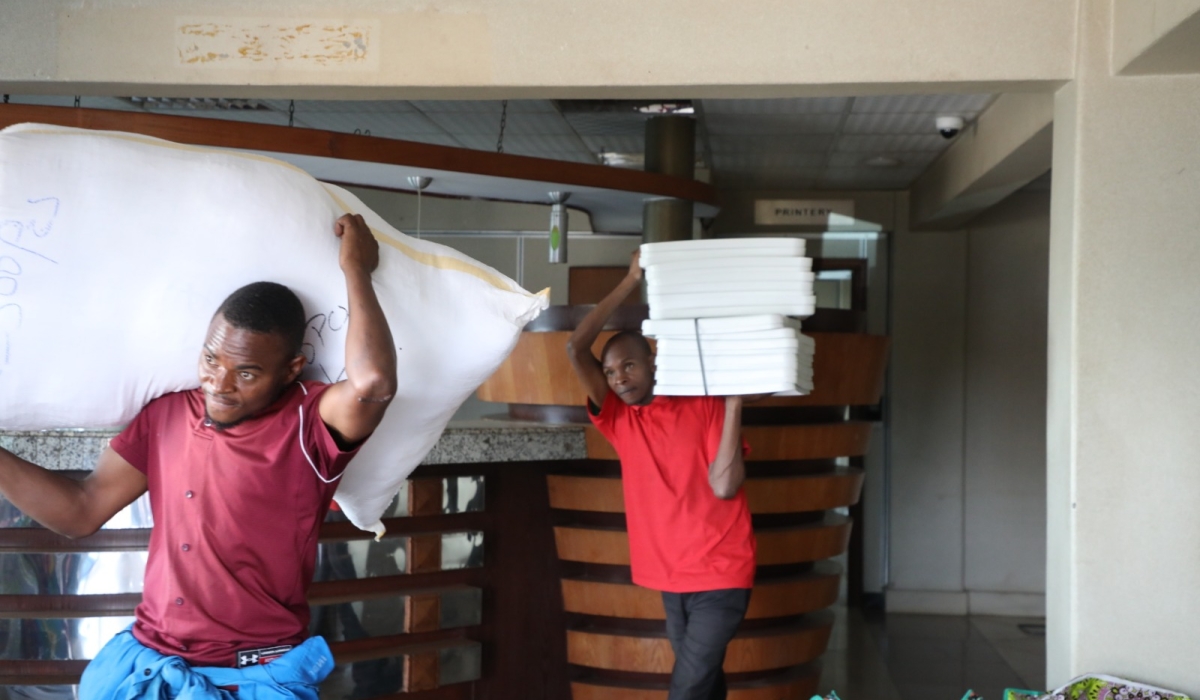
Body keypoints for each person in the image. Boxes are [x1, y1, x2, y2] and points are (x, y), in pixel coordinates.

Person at [0, 213, 397, 700]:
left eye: (246, 373)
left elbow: (373, 383)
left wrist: (355, 268)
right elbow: (80, 512)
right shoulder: (166, 414)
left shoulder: (309, 420)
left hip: (253, 676)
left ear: (291, 369)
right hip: (147, 666)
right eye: (211, 360)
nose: (219, 384)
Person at [566, 250, 757, 700]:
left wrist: (733, 404)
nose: (618, 378)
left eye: (628, 365)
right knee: (704, 685)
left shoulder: (701, 403)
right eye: (610, 372)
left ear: (653, 361)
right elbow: (575, 347)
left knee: (687, 690)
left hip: (721, 573)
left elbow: (725, 485)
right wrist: (630, 280)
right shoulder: (619, 420)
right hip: (671, 579)